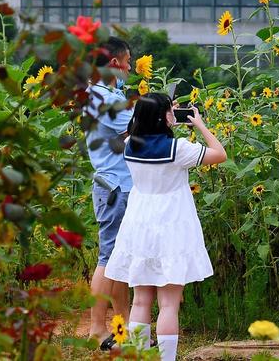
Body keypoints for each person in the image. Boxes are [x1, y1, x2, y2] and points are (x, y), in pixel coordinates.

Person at [105, 93, 226, 361]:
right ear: (163, 117)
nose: (175, 113)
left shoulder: (128, 144)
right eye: (172, 110)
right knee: (169, 303)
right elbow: (220, 154)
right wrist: (201, 125)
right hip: (172, 223)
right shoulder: (178, 149)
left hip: (139, 223)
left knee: (140, 300)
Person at [85, 36, 133, 346]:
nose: (130, 67)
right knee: (109, 257)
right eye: (128, 62)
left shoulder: (105, 94)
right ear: (114, 63)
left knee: (120, 257)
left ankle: (124, 327)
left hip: (116, 183)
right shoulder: (102, 97)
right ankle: (96, 329)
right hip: (114, 185)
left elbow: (128, 129)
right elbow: (139, 124)